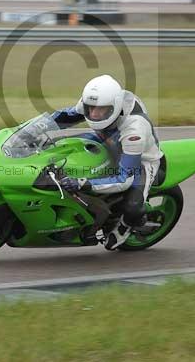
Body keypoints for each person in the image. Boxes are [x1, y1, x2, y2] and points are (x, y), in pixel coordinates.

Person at [50, 74, 163, 250]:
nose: (94, 114)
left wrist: (83, 183)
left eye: (100, 110)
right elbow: (66, 116)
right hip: (108, 140)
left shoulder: (134, 129)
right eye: (90, 109)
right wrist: (31, 130)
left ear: (114, 107)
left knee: (133, 207)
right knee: (58, 147)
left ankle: (127, 225)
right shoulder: (98, 101)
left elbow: (123, 179)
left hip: (140, 160)